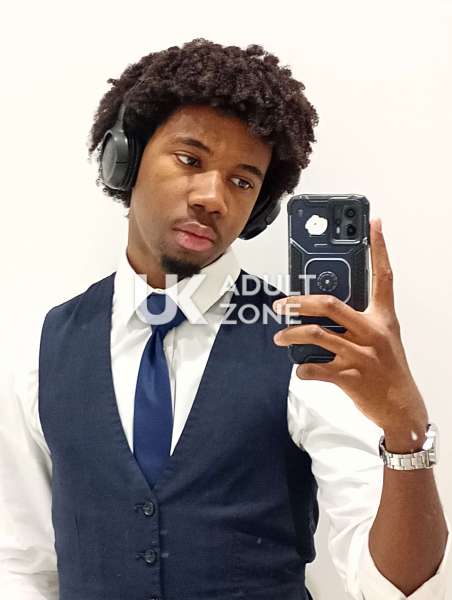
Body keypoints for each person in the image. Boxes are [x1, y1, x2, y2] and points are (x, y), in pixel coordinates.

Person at [0, 38, 449, 600]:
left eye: (242, 181)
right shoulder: (42, 347)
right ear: (125, 159)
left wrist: (405, 431)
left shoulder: (306, 344)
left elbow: (394, 588)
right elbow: (22, 564)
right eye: (190, 160)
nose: (213, 197)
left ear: (260, 208)